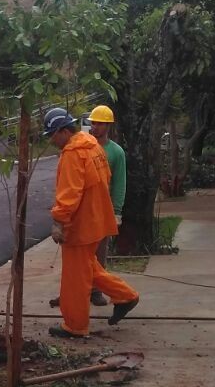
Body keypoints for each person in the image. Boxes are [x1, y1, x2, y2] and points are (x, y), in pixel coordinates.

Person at [43, 107, 138, 339]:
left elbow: (69, 193)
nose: (51, 140)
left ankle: (75, 326)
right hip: (95, 220)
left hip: (81, 226)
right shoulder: (92, 146)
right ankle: (126, 296)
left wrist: (59, 221)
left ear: (63, 131)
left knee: (76, 278)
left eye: (52, 135)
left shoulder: (74, 153)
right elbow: (104, 179)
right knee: (89, 267)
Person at [86, 105, 126, 306]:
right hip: (85, 210)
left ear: (108, 125)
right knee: (80, 253)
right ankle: (77, 289)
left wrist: (117, 211)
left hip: (103, 209)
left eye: (100, 123)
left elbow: (120, 182)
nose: (95, 127)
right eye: (93, 123)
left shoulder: (115, 152)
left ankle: (96, 290)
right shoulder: (84, 147)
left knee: (100, 252)